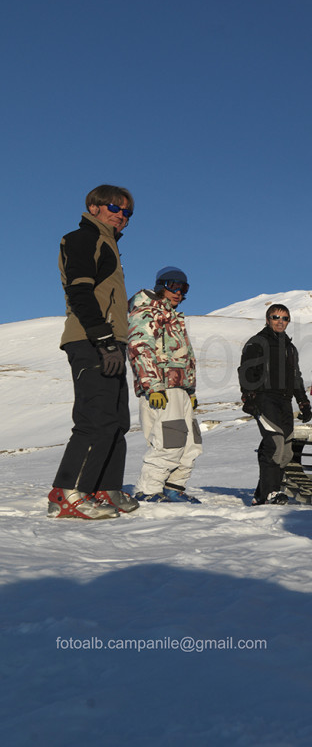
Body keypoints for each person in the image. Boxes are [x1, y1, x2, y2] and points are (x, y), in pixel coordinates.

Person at [49, 185, 139, 519]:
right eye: (115, 208)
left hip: (111, 341)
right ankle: (67, 492)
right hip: (90, 339)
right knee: (95, 417)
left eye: (127, 212)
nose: (121, 215)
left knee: (116, 420)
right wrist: (102, 337)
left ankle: (105, 487)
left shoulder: (109, 246)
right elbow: (79, 291)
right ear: (94, 207)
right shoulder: (83, 238)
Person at [127, 266, 203, 503]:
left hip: (179, 389)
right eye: (174, 286)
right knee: (170, 441)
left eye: (184, 288)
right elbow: (140, 348)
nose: (179, 293)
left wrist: (189, 389)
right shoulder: (147, 312)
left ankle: (174, 486)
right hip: (161, 389)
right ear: (161, 286)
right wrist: (152, 386)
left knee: (191, 443)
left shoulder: (172, 316)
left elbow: (183, 357)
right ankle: (147, 490)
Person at [238, 304, 312, 505]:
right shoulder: (257, 342)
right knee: (274, 442)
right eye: (276, 317)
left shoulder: (290, 347)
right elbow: (245, 371)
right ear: (267, 319)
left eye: (285, 318)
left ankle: (261, 495)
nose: (280, 321)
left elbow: (296, 377)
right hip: (264, 398)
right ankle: (272, 492)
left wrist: (303, 402)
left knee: (286, 448)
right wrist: (249, 399)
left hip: (285, 400)